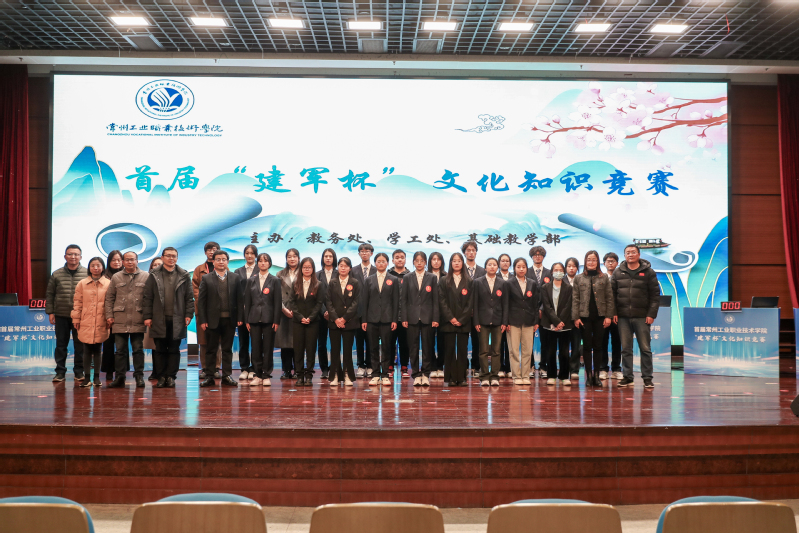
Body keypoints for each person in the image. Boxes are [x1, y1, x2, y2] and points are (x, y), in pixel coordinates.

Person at [142, 247, 194, 389]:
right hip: (158, 318)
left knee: (173, 349)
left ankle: (171, 376)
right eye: (168, 256)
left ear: (177, 258)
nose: (171, 258)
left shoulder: (183, 275)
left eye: (174, 256)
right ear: (163, 257)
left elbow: (189, 297)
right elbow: (147, 297)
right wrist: (147, 316)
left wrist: (189, 314)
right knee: (159, 349)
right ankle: (161, 376)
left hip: (178, 318)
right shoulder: (154, 274)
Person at [612, 244, 660, 389]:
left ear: (639, 254)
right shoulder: (618, 272)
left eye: (633, 252)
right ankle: (627, 377)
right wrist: (613, 312)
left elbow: (655, 295)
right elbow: (611, 295)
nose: (630, 255)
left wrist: (651, 314)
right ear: (624, 255)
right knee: (626, 349)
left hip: (642, 317)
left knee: (645, 348)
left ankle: (647, 378)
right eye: (628, 252)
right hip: (623, 317)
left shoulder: (648, 272)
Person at [197, 250, 242, 388]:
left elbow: (240, 299)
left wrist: (240, 317)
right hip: (211, 320)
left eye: (224, 259)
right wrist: (203, 320)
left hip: (230, 320)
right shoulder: (206, 278)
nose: (221, 262)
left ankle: (227, 376)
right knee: (211, 349)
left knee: (227, 349)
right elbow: (201, 301)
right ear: (213, 261)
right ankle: (209, 377)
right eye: (218, 259)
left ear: (227, 261)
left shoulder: (235, 277)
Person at [105, 251, 149, 388]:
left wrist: (148, 316)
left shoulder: (146, 276)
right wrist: (109, 315)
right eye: (127, 260)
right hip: (120, 319)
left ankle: (139, 377)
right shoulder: (116, 277)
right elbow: (109, 298)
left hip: (138, 318)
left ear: (137, 261)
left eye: (132, 259)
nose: (130, 262)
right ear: (123, 262)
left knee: (138, 349)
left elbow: (149, 299)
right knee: (120, 351)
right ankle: (120, 377)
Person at [572, 250, 615, 387]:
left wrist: (608, 316)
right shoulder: (578, 278)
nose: (591, 262)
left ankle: (597, 376)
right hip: (584, 317)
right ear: (585, 262)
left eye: (594, 260)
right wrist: (576, 317)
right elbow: (575, 299)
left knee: (598, 347)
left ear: (598, 262)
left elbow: (609, 298)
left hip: (600, 317)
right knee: (586, 347)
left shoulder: (603, 277)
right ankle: (588, 376)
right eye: (589, 259)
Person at [46, 244, 88, 383]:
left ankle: (79, 372)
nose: (73, 257)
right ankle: (60, 372)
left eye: (76, 254)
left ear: (80, 257)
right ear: (65, 256)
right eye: (70, 254)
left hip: (80, 316)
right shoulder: (56, 274)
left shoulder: (87, 273)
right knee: (61, 345)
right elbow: (50, 294)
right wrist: (50, 312)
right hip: (61, 315)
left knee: (80, 346)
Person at [400, 251, 439, 387]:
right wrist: (404, 318)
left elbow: (435, 300)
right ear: (413, 262)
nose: (419, 263)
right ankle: (416, 374)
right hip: (412, 318)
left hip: (428, 317)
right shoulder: (407, 277)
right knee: (413, 347)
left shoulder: (432, 277)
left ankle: (426, 374)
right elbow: (403, 300)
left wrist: (435, 318)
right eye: (417, 260)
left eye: (422, 261)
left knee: (428, 347)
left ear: (425, 262)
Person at [243, 253, 282, 387]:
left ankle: (266, 375)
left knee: (268, 348)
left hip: (269, 319)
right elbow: (247, 301)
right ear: (257, 263)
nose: (262, 263)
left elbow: (277, 302)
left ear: (269, 263)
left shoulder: (275, 280)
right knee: (255, 348)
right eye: (260, 261)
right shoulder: (251, 280)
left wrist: (276, 320)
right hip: (253, 318)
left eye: (265, 261)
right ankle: (257, 375)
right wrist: (247, 320)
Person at [71, 257, 110, 388]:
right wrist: (76, 319)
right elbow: (77, 302)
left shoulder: (108, 283)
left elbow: (110, 303)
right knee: (86, 349)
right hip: (86, 320)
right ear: (89, 267)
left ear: (103, 267)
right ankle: (87, 378)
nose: (96, 268)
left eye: (98, 265)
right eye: (93, 265)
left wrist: (109, 318)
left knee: (98, 349)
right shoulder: (82, 283)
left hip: (101, 320)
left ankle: (97, 378)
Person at [362, 252, 399, 387]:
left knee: (387, 347)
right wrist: (364, 320)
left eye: (384, 261)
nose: (381, 263)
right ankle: (375, 374)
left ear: (388, 263)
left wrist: (394, 320)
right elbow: (364, 301)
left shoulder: (393, 279)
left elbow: (396, 302)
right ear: (375, 263)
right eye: (379, 261)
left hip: (388, 319)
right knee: (372, 347)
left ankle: (385, 375)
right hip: (371, 319)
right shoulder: (369, 280)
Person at [439, 252, 473, 387]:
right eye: (454, 261)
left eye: (459, 261)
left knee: (463, 350)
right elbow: (441, 301)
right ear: (450, 263)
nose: (457, 263)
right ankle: (451, 378)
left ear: (462, 263)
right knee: (450, 350)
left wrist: (462, 319)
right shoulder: (444, 280)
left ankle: (462, 378)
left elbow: (470, 302)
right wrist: (451, 318)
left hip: (464, 322)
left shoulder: (469, 281)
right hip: (448, 322)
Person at [473, 258, 508, 387]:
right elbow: (475, 303)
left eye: (494, 265)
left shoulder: (502, 283)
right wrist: (476, 321)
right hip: (482, 320)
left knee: (496, 351)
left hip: (498, 320)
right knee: (483, 351)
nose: (492, 266)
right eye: (489, 264)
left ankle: (494, 376)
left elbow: (505, 304)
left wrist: (504, 321)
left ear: (497, 267)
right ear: (485, 267)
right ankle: (484, 376)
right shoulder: (478, 282)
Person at [326, 257, 360, 386]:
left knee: (347, 351)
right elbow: (328, 302)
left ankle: (347, 375)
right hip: (334, 322)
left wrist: (344, 318)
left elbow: (356, 302)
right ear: (338, 267)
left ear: (350, 268)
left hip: (349, 322)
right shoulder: (332, 282)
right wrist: (336, 318)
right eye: (341, 265)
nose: (343, 268)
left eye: (346, 266)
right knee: (334, 350)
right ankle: (335, 375)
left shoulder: (355, 282)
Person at [289, 257, 323, 387]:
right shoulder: (295, 283)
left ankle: (309, 376)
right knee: (298, 349)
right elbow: (292, 302)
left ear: (313, 269)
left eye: (309, 267)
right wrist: (300, 317)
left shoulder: (318, 284)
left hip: (313, 322)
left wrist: (311, 317)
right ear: (301, 269)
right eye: (304, 267)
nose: (307, 269)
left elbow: (319, 303)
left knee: (310, 349)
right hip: (298, 322)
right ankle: (299, 375)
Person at [505, 258, 538, 385]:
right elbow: (506, 304)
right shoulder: (509, 283)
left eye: (523, 266)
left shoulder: (532, 283)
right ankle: (516, 376)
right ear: (514, 268)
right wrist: (506, 321)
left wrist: (536, 321)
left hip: (529, 321)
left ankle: (525, 375)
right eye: (518, 267)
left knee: (527, 351)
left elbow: (535, 304)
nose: (521, 269)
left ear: (526, 268)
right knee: (513, 350)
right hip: (513, 321)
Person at [540, 262, 573, 386]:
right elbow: (547, 307)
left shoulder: (569, 288)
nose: (558, 272)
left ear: (563, 272)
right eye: (556, 270)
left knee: (564, 352)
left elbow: (568, 306)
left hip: (565, 324)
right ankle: (551, 375)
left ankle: (564, 376)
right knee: (550, 351)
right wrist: (556, 321)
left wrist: (560, 322)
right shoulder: (545, 287)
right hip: (549, 324)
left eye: (560, 270)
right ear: (551, 272)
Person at [192, 242, 221, 380]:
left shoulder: (222, 268)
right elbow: (195, 289)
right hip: (202, 311)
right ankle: (204, 368)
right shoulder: (199, 269)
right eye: (209, 250)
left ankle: (216, 368)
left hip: (219, 311)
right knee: (203, 342)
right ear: (205, 252)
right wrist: (205, 302)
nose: (211, 252)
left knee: (218, 342)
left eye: (214, 249)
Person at [233, 244, 258, 382]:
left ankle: (254, 368)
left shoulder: (261, 270)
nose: (249, 255)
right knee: (243, 341)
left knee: (256, 342)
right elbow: (235, 293)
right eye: (247, 253)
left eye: (252, 253)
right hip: (242, 312)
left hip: (256, 312)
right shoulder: (238, 271)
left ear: (256, 255)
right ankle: (244, 368)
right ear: (244, 255)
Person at [461, 241, 485, 378]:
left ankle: (476, 366)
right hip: (462, 313)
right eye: (468, 250)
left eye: (473, 250)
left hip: (479, 313)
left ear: (476, 252)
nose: (471, 252)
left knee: (478, 342)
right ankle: (463, 366)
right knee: (463, 341)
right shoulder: (459, 269)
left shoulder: (483, 271)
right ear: (464, 253)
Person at [351, 243, 375, 378]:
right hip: (357, 312)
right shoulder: (353, 270)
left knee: (371, 340)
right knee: (359, 340)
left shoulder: (377, 270)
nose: (364, 253)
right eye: (362, 251)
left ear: (371, 253)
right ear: (359, 253)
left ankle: (370, 365)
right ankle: (360, 365)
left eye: (367, 251)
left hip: (372, 312)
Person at [275, 249, 300, 379]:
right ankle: (286, 370)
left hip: (299, 311)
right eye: (289, 256)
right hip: (283, 311)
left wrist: (297, 310)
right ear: (286, 259)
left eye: (294, 256)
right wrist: (283, 309)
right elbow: (276, 294)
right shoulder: (279, 274)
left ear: (298, 258)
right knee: (285, 343)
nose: (292, 259)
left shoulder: (304, 272)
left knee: (297, 342)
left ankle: (298, 370)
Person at [529, 245, 552, 379]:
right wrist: (534, 310)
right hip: (529, 312)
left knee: (545, 341)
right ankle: (530, 366)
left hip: (545, 313)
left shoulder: (549, 273)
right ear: (531, 256)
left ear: (543, 256)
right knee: (528, 342)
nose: (537, 256)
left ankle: (544, 366)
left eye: (540, 254)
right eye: (535, 254)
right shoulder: (526, 271)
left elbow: (550, 294)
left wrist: (542, 309)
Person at [101, 250, 123, 382]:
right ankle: (109, 371)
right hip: (107, 314)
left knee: (121, 346)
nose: (116, 262)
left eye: (119, 260)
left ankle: (121, 371)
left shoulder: (126, 274)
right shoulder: (103, 276)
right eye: (113, 260)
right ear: (109, 261)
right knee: (108, 345)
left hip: (122, 315)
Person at [388, 249, 411, 378]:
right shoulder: (387, 274)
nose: (400, 259)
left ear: (405, 260)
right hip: (389, 315)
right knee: (389, 342)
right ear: (393, 260)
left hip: (405, 316)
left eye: (402, 257)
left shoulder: (410, 275)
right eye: (397, 257)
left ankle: (404, 367)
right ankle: (389, 366)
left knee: (404, 343)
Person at [316, 248, 337, 380]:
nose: (328, 258)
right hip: (321, 314)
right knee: (321, 343)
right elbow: (316, 296)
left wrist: (333, 311)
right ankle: (324, 368)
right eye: (326, 256)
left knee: (335, 343)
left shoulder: (340, 273)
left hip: (337, 314)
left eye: (330, 256)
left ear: (334, 258)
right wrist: (324, 311)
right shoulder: (317, 275)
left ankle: (334, 367)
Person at [601, 252, 623, 380]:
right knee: (602, 342)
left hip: (617, 316)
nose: (610, 263)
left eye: (613, 261)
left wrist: (616, 312)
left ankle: (616, 369)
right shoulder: (600, 278)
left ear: (617, 263)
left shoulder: (621, 278)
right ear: (604, 263)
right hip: (603, 316)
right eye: (608, 261)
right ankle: (603, 368)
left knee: (617, 343)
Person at [427, 251, 447, 378]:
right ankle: (432, 366)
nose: (436, 261)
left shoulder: (446, 276)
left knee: (442, 341)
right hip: (428, 313)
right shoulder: (425, 275)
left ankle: (440, 366)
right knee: (429, 341)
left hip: (443, 314)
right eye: (433, 259)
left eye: (438, 259)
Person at [143, 256, 163, 381]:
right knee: (154, 346)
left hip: (165, 318)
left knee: (164, 346)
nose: (156, 267)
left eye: (159, 264)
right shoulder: (148, 280)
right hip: (152, 317)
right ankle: (155, 371)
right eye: (154, 265)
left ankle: (164, 372)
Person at [564, 257, 582, 381]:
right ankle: (564, 369)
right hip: (564, 319)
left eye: (574, 266)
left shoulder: (581, 280)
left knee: (576, 345)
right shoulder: (560, 280)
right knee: (564, 346)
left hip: (577, 318)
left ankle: (574, 369)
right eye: (569, 266)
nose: (571, 268)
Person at [497, 253, 512, 378]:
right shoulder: (494, 277)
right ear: (499, 263)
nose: (505, 263)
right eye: (502, 260)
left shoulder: (514, 277)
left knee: (510, 344)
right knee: (499, 343)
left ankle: (509, 368)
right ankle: (500, 368)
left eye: (507, 261)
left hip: (512, 315)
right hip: (497, 315)